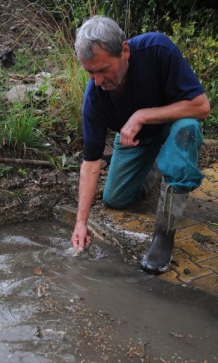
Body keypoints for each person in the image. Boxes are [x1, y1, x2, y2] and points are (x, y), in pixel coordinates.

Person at [71, 15, 210, 274]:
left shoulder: (157, 50)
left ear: (124, 51)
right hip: (136, 141)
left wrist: (142, 115)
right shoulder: (94, 98)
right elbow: (90, 164)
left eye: (103, 70)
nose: (98, 81)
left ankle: (164, 234)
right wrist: (81, 222)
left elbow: (201, 106)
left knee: (186, 128)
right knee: (115, 198)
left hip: (172, 129)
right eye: (90, 72)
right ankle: (159, 166)